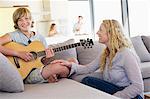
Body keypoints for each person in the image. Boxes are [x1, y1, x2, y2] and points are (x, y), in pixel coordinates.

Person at [51, 19, 144, 99]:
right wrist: (69, 64)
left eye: (100, 30)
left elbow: (138, 87)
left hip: (131, 96)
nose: (97, 33)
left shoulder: (126, 54)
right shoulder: (106, 52)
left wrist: (114, 97)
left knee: (88, 81)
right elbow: (88, 68)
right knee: (87, 80)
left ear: (110, 33)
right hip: (115, 89)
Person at [0, 7, 70, 84]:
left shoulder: (40, 38)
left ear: (31, 20)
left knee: (71, 63)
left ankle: (51, 75)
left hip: (38, 69)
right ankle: (51, 75)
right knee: (61, 68)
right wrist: (18, 54)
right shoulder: (13, 35)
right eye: (20, 20)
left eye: (27, 18)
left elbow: (44, 62)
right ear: (16, 23)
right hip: (24, 74)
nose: (24, 22)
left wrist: (48, 58)